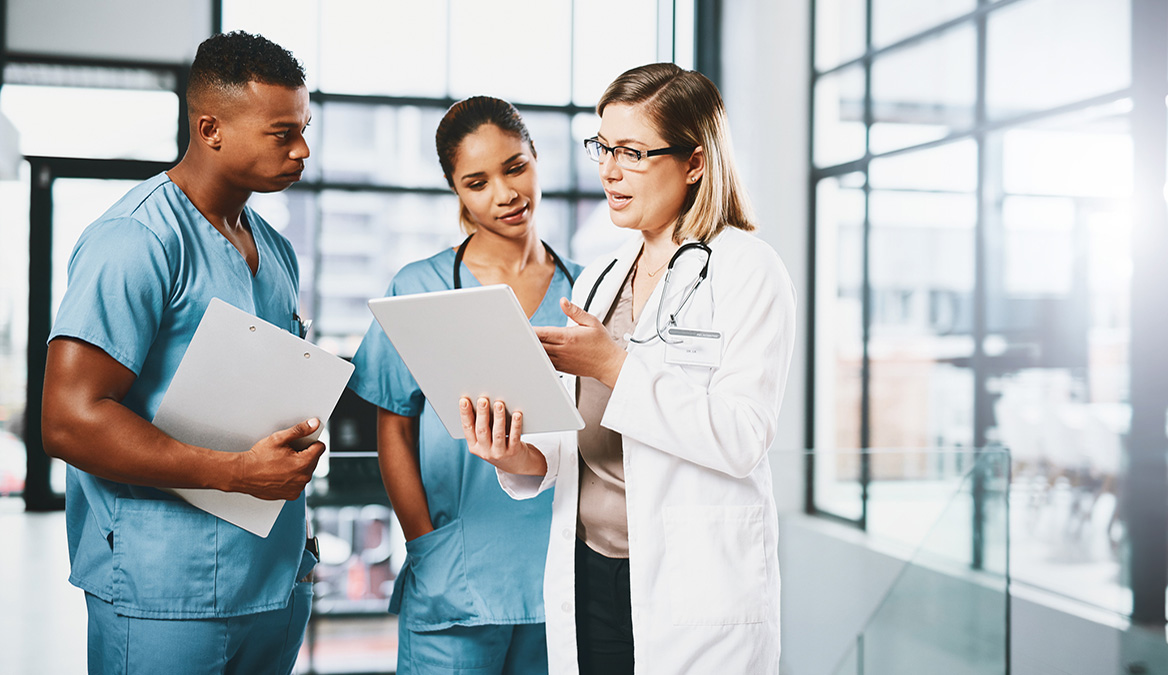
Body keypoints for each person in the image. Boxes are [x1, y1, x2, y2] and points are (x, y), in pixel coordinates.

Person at [460, 63, 797, 674]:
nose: (609, 171)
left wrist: (614, 364)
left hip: (693, 581)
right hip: (589, 573)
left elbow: (743, 437)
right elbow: (573, 447)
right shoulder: (600, 278)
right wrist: (514, 456)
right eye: (604, 147)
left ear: (694, 161)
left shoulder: (750, 269)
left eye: (634, 153)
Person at [41, 31, 322, 675]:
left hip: (272, 582)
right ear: (210, 128)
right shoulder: (134, 241)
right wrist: (231, 473)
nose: (302, 150)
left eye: (304, 128)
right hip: (164, 588)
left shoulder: (274, 251)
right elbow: (68, 419)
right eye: (283, 133)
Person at [349, 96, 583, 675]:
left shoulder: (588, 292)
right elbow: (395, 432)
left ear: (536, 159)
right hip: (457, 576)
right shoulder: (421, 287)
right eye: (477, 182)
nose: (504, 193)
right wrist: (423, 542)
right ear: (456, 190)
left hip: (559, 580)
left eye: (515, 167)